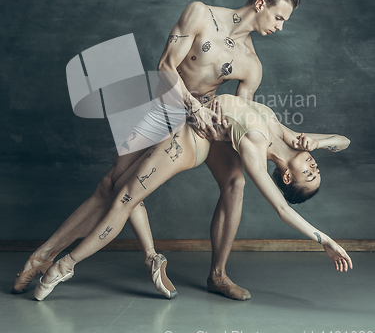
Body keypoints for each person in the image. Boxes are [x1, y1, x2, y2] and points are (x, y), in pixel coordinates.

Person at [13, 0, 300, 301]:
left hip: (203, 120)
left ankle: (217, 275)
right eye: (279, 18)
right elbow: (165, 65)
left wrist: (270, 149)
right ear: (261, 4)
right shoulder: (200, 14)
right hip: (166, 105)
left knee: (236, 182)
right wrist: (191, 106)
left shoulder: (252, 64)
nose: (280, 27)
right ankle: (43, 257)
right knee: (112, 187)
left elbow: (240, 117)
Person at [33, 94, 353, 302]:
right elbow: (344, 141)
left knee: (127, 197)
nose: (313, 166)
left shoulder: (256, 149)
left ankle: (65, 265)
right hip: (186, 112)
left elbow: (282, 209)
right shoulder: (287, 135)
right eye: (316, 169)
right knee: (121, 194)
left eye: (309, 175)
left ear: (286, 177)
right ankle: (64, 263)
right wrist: (320, 143)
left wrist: (323, 239)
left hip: (193, 134)